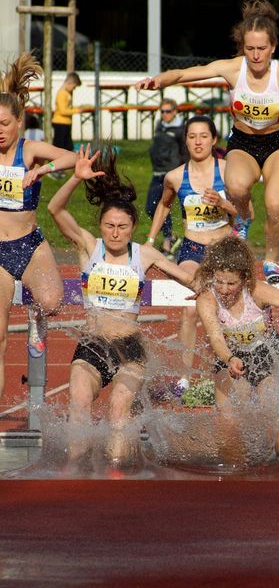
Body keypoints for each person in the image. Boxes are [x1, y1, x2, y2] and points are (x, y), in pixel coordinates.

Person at [136, 0, 279, 284]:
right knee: (236, 187)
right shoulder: (233, 69)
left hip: (277, 143)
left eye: (262, 49)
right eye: (250, 49)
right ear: (243, 47)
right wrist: (159, 80)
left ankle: (270, 260)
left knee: (275, 204)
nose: (256, 56)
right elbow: (184, 73)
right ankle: (243, 219)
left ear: (273, 47)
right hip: (243, 142)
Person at [47, 145, 197, 466]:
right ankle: (75, 472)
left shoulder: (144, 255)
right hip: (92, 346)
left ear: (132, 228)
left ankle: (118, 479)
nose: (115, 233)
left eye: (123, 227)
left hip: (130, 350)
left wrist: (211, 288)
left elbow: (188, 279)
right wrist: (75, 178)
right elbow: (55, 210)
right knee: (79, 402)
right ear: (101, 226)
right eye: (110, 226)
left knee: (118, 410)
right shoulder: (89, 246)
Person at [195, 235, 279, 458]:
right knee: (228, 426)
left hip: (267, 352)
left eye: (231, 283)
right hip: (230, 355)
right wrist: (229, 358)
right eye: (219, 281)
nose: (223, 289)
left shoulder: (258, 291)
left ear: (244, 278)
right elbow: (215, 338)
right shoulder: (207, 298)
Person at [0, 53, 78, 398]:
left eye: (3, 124)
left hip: (29, 244)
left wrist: (41, 171)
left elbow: (72, 157)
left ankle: (36, 320)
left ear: (19, 122)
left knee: (51, 301)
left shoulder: (29, 149)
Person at [147, 116, 237, 394]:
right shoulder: (175, 176)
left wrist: (223, 203)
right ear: (185, 140)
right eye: (192, 136)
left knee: (225, 314)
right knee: (190, 309)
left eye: (203, 136)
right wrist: (151, 240)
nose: (198, 142)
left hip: (223, 251)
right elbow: (163, 206)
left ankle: (221, 374)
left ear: (213, 140)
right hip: (192, 249)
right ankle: (184, 380)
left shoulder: (229, 171)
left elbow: (246, 211)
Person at [146, 98, 186, 257]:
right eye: (162, 111)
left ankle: (169, 242)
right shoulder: (160, 126)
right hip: (157, 173)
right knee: (151, 208)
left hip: (172, 174)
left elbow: (184, 152)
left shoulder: (181, 129)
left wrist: (182, 170)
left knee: (174, 208)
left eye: (168, 111)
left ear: (175, 112)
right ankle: (172, 236)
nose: (164, 115)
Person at [51, 71, 81, 171]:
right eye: (74, 87)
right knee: (59, 146)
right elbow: (63, 110)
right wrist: (76, 110)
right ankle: (54, 166)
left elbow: (68, 108)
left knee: (68, 145)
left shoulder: (67, 93)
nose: (74, 89)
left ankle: (67, 165)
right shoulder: (61, 93)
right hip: (60, 122)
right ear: (69, 83)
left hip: (66, 122)